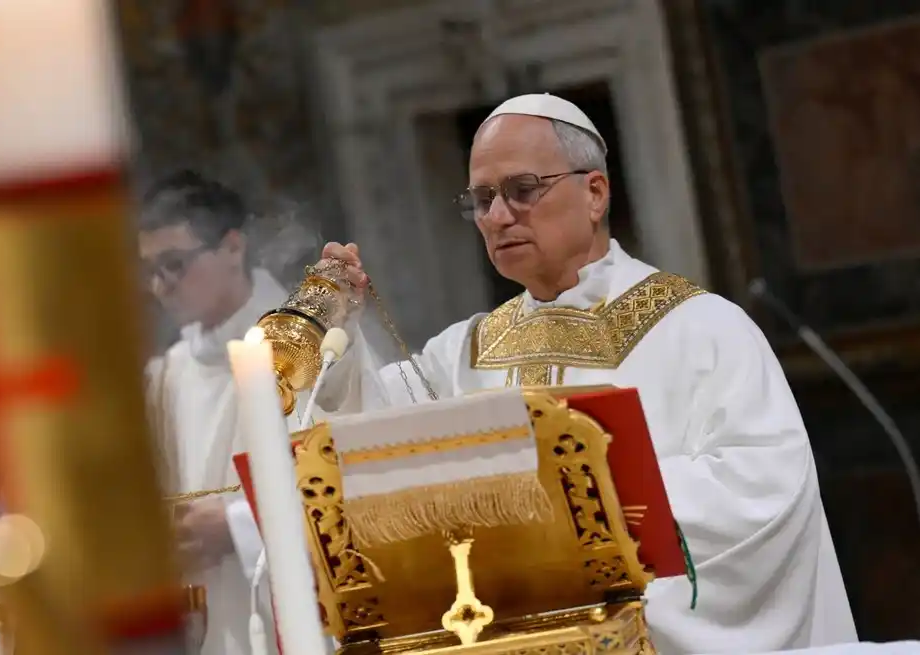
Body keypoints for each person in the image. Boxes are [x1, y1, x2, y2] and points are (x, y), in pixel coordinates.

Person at [310, 94, 857, 653]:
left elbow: (766, 485)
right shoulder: (463, 351)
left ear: (594, 193)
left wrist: (576, 503)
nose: (497, 216)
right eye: (481, 199)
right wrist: (340, 338)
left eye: (522, 190)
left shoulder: (703, 327)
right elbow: (369, 447)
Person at [140, 170, 291, 655]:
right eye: (150, 270)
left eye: (174, 264)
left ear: (232, 247)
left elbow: (358, 480)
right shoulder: (165, 377)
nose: (160, 286)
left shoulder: (308, 345)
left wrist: (238, 525)